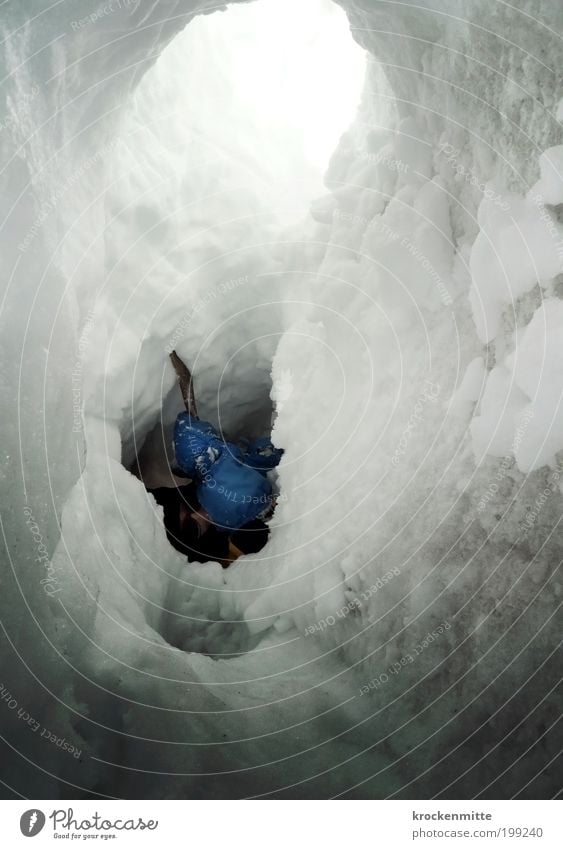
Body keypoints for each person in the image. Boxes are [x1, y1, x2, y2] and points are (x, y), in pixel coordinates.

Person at [148, 351, 283, 566]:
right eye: (193, 528)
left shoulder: (189, 496)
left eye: (187, 514)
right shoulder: (238, 526)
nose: (196, 516)